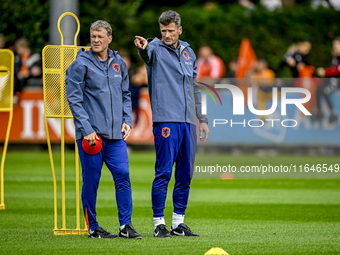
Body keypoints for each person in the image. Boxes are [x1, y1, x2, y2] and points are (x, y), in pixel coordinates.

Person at [134, 10, 210, 238]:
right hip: (166, 119)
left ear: (179, 30)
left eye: (170, 30)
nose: (166, 34)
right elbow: (145, 54)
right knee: (164, 172)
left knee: (185, 174)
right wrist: (142, 47)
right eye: (163, 31)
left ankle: (178, 224)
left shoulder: (188, 52)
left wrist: (202, 119)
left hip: (189, 122)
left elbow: (195, 87)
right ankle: (159, 224)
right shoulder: (154, 48)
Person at [65, 20, 142, 239]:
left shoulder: (119, 62)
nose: (96, 40)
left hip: (116, 136)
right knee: (91, 181)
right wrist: (86, 129)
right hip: (92, 136)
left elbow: (126, 94)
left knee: (123, 176)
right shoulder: (80, 63)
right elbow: (74, 99)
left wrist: (127, 119)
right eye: (93, 36)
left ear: (110, 38)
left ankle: (125, 226)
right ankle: (93, 227)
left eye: (100, 37)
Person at [315, 36, 340, 124]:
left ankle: (333, 113)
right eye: (334, 45)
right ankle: (319, 111)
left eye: (337, 44)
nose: (335, 46)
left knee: (325, 91)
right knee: (318, 89)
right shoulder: (334, 57)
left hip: (337, 82)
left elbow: (337, 70)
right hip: (330, 80)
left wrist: (324, 71)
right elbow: (332, 68)